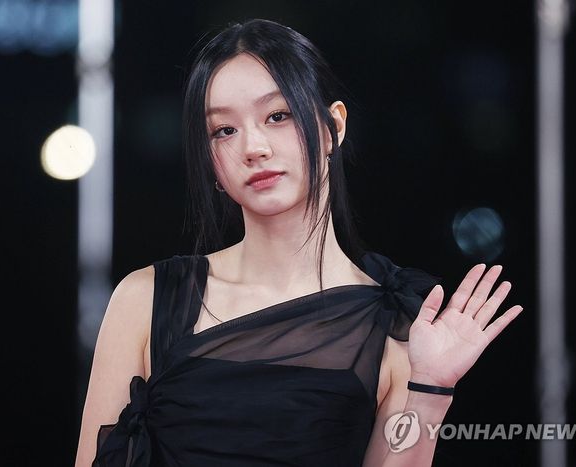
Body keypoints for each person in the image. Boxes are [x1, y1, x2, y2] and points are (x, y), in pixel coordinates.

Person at [74, 18, 523, 467]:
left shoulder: (393, 326)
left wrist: (431, 390)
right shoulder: (147, 300)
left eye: (278, 116)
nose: (253, 147)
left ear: (333, 127)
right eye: (224, 130)